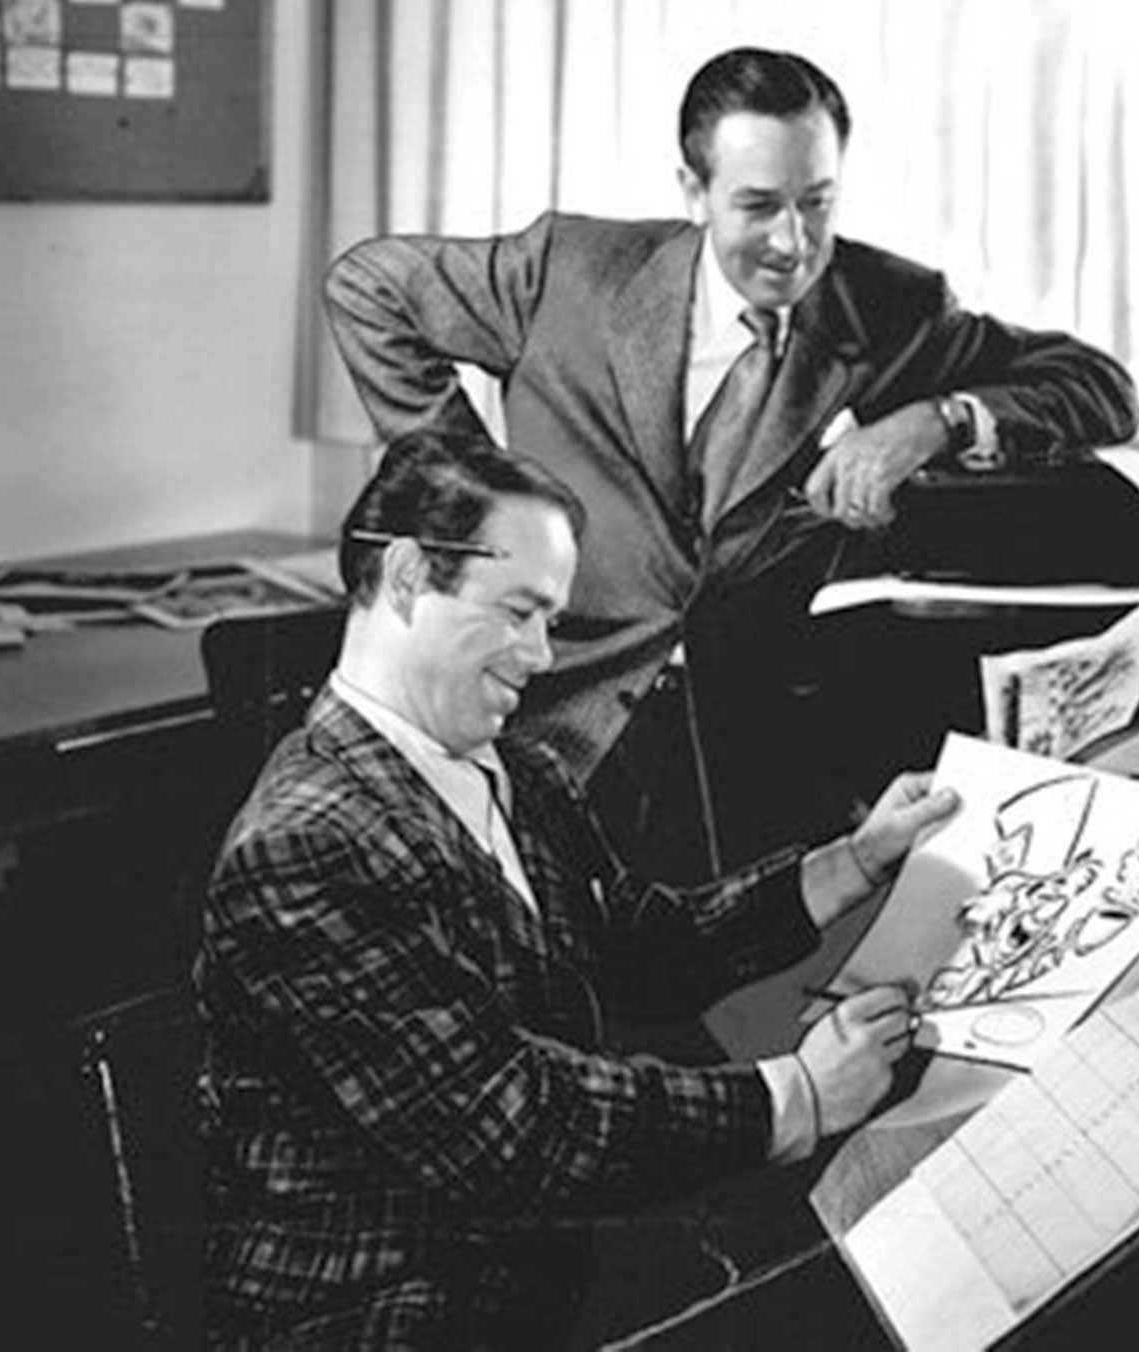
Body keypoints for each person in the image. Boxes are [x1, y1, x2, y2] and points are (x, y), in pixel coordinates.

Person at [195, 430, 961, 1350]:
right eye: (517, 612)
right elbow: (507, 1127)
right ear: (405, 577)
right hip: (377, 1316)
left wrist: (855, 860)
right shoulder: (304, 843)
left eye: (550, 620)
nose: (540, 655)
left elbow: (638, 950)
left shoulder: (515, 770)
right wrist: (795, 1096)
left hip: (529, 1268)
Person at [325, 45, 1138, 880]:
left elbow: (1098, 384)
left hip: (759, 756)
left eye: (817, 203)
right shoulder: (565, 272)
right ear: (694, 191)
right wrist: (477, 498)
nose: (794, 242)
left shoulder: (891, 306)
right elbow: (370, 289)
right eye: (759, 206)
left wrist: (933, 422)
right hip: (550, 717)